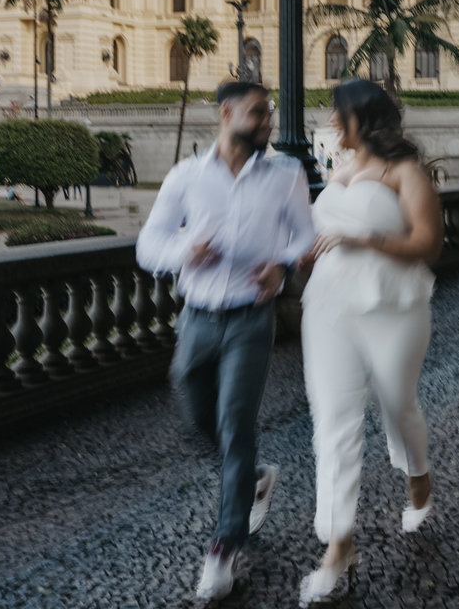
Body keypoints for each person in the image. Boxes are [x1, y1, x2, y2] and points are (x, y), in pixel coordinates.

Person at [137, 81, 315, 602]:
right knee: (196, 413)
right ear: (227, 113)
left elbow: (305, 234)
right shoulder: (186, 176)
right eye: (259, 113)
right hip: (196, 317)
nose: (268, 122)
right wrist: (185, 251)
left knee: (236, 425)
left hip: (251, 320)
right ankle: (254, 476)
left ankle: (224, 547)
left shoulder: (286, 174)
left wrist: (281, 267)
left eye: (269, 114)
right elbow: (150, 244)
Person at [296, 79, 443, 606]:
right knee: (333, 421)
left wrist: (363, 239)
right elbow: (327, 232)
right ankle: (339, 547)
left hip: (394, 306)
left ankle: (417, 472)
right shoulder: (338, 171)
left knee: (398, 405)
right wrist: (310, 252)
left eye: (339, 114)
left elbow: (430, 242)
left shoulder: (405, 171)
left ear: (364, 117)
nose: (332, 122)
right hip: (330, 305)